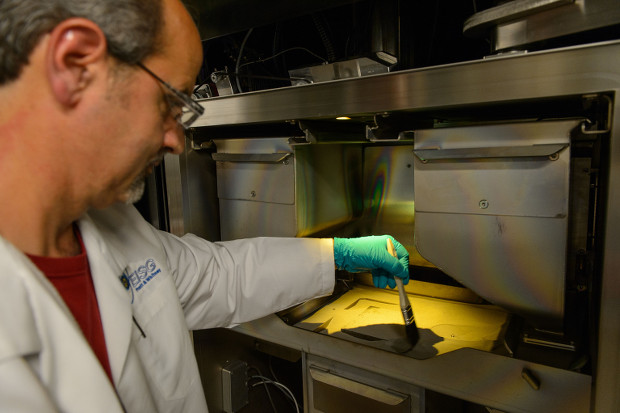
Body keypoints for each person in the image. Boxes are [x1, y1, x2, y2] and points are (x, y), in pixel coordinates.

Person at [0, 0, 410, 412]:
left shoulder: (109, 226)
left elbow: (216, 276)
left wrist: (338, 254)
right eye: (171, 103)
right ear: (75, 64)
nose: (177, 141)